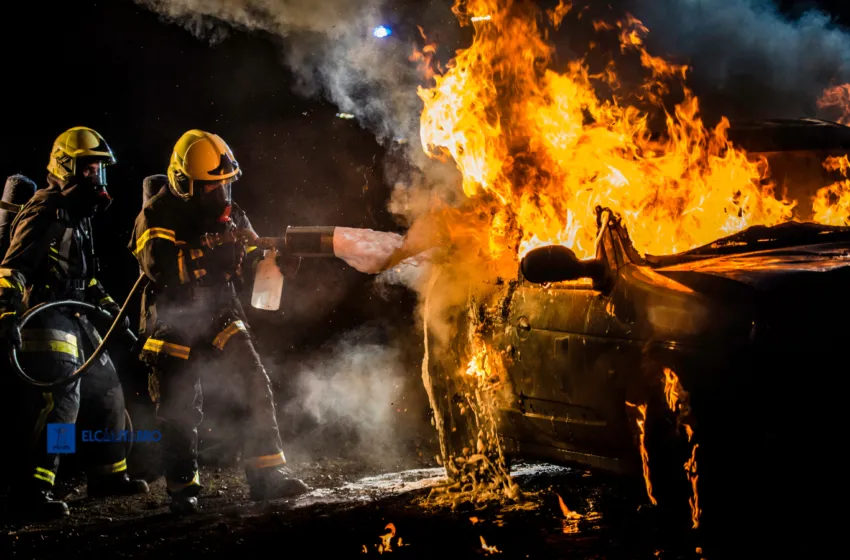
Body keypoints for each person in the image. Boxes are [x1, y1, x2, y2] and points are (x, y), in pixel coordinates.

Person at [129, 129, 308, 514]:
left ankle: (266, 477)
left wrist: (276, 261)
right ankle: (183, 489)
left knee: (253, 380)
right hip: (172, 320)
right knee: (178, 405)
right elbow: (158, 267)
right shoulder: (156, 214)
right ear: (183, 183)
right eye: (211, 188)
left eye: (225, 186)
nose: (221, 197)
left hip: (220, 312)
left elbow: (254, 249)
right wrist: (206, 254)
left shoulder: (232, 214)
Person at [0, 126, 150, 520]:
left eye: (101, 171)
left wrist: (114, 316)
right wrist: (5, 313)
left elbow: (89, 279)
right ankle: (34, 488)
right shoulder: (44, 209)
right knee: (62, 402)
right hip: (45, 316)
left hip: (76, 314)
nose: (97, 180)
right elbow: (13, 267)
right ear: (66, 168)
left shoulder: (79, 214)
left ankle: (107, 475)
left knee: (108, 391)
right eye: (89, 171)